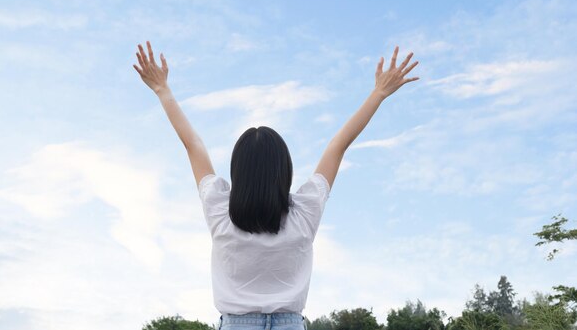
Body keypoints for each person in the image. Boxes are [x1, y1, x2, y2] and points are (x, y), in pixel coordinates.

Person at [133, 42, 420, 330]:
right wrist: (378, 93)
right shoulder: (305, 212)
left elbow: (192, 145)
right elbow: (338, 146)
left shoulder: (219, 209)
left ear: (238, 172)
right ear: (284, 171)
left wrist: (162, 90)